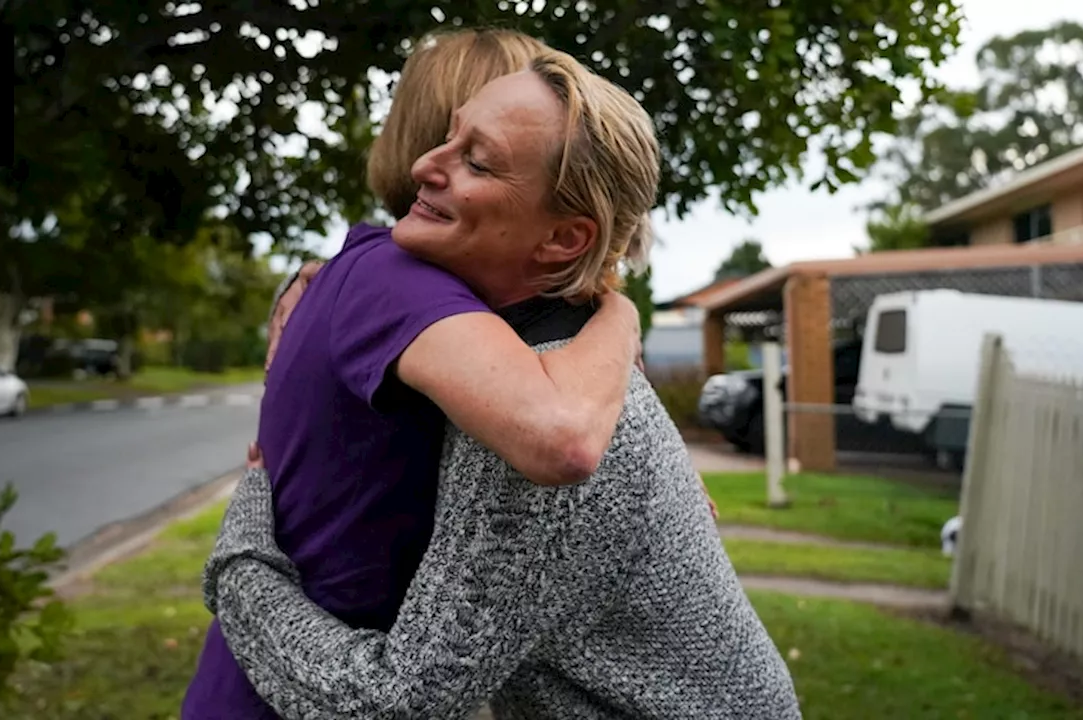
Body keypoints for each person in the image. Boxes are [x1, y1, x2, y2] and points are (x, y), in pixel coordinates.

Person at [204, 50, 801, 719]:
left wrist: (243, 547)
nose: (423, 166)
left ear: (564, 239)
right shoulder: (549, 357)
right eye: (446, 135)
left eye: (478, 161)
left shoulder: (530, 428)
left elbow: (388, 705)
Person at [180, 29, 645, 719]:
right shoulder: (401, 285)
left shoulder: (363, 274)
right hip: (301, 689)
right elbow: (563, 434)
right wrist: (621, 309)